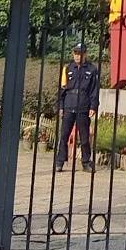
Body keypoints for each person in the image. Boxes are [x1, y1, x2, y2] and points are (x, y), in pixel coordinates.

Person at [54, 40, 100, 174]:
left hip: (83, 106)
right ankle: (60, 162)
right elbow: (62, 89)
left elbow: (94, 90)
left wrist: (93, 106)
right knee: (64, 135)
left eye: (80, 53)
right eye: (75, 53)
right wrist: (61, 106)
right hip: (69, 105)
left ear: (85, 54)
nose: (77, 56)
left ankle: (86, 162)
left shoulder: (92, 70)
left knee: (84, 137)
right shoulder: (67, 69)